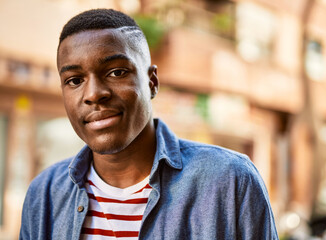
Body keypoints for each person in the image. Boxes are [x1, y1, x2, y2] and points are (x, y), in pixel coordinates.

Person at [20, 9, 278, 239]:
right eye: (75, 80)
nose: (93, 94)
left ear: (152, 82)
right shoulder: (44, 195)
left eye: (116, 72)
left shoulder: (230, 181)